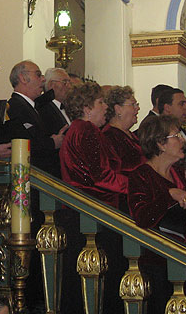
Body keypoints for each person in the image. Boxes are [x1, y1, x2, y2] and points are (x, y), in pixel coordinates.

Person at [59, 81, 128, 314]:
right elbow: (100, 177)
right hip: (94, 214)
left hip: (87, 213)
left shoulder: (79, 129)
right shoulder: (86, 130)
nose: (106, 107)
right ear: (87, 108)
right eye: (100, 102)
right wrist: (136, 188)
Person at [127, 115, 186, 314]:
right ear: (160, 144)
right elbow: (142, 217)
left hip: (182, 253)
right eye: (176, 136)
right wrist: (169, 194)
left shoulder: (177, 173)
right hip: (156, 260)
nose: (182, 140)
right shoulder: (141, 175)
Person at [6, 61, 66, 175]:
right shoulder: (15, 106)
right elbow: (23, 143)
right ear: (23, 78)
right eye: (38, 74)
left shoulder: (30, 106)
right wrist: (52, 143)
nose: (43, 79)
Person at [102, 86, 145, 178]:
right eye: (133, 104)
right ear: (118, 109)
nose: (138, 108)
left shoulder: (131, 135)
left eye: (137, 104)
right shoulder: (109, 137)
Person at [37, 67, 71, 143]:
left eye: (69, 82)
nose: (69, 87)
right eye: (64, 82)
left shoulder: (68, 107)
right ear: (51, 85)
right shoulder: (43, 108)